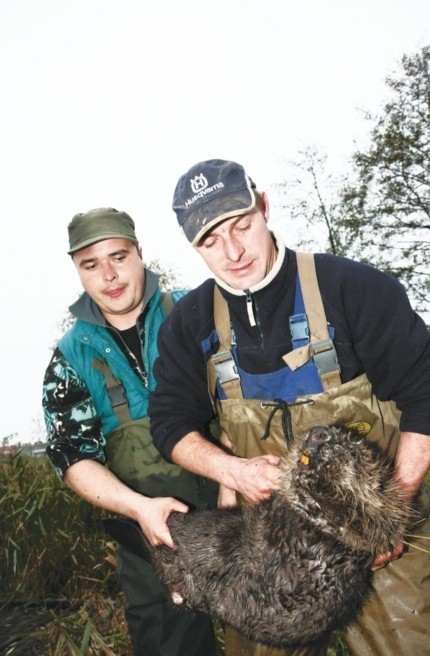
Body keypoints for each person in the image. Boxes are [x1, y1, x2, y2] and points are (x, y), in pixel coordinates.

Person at [149, 159, 430, 656]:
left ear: (264, 207)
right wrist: (230, 470)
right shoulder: (188, 324)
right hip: (269, 547)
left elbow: (425, 391)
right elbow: (169, 424)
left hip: (382, 524)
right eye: (211, 241)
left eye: (241, 226)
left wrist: (394, 510)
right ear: (193, 246)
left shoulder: (353, 288)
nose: (233, 252)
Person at [42, 207, 217, 656]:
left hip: (237, 512)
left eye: (118, 256)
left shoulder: (199, 310)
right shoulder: (70, 355)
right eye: (90, 264)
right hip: (150, 539)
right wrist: (140, 509)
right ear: (77, 271)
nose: (109, 275)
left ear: (140, 252)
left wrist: (232, 480)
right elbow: (72, 457)